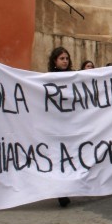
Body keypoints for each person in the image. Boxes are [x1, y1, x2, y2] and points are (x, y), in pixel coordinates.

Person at [47, 47, 73, 208]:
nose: (65, 61)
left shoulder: (75, 77)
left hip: (71, 125)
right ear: (55, 61)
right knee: (58, 158)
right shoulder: (48, 79)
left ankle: (68, 188)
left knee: (70, 157)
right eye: (62, 58)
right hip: (55, 126)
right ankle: (60, 192)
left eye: (67, 58)